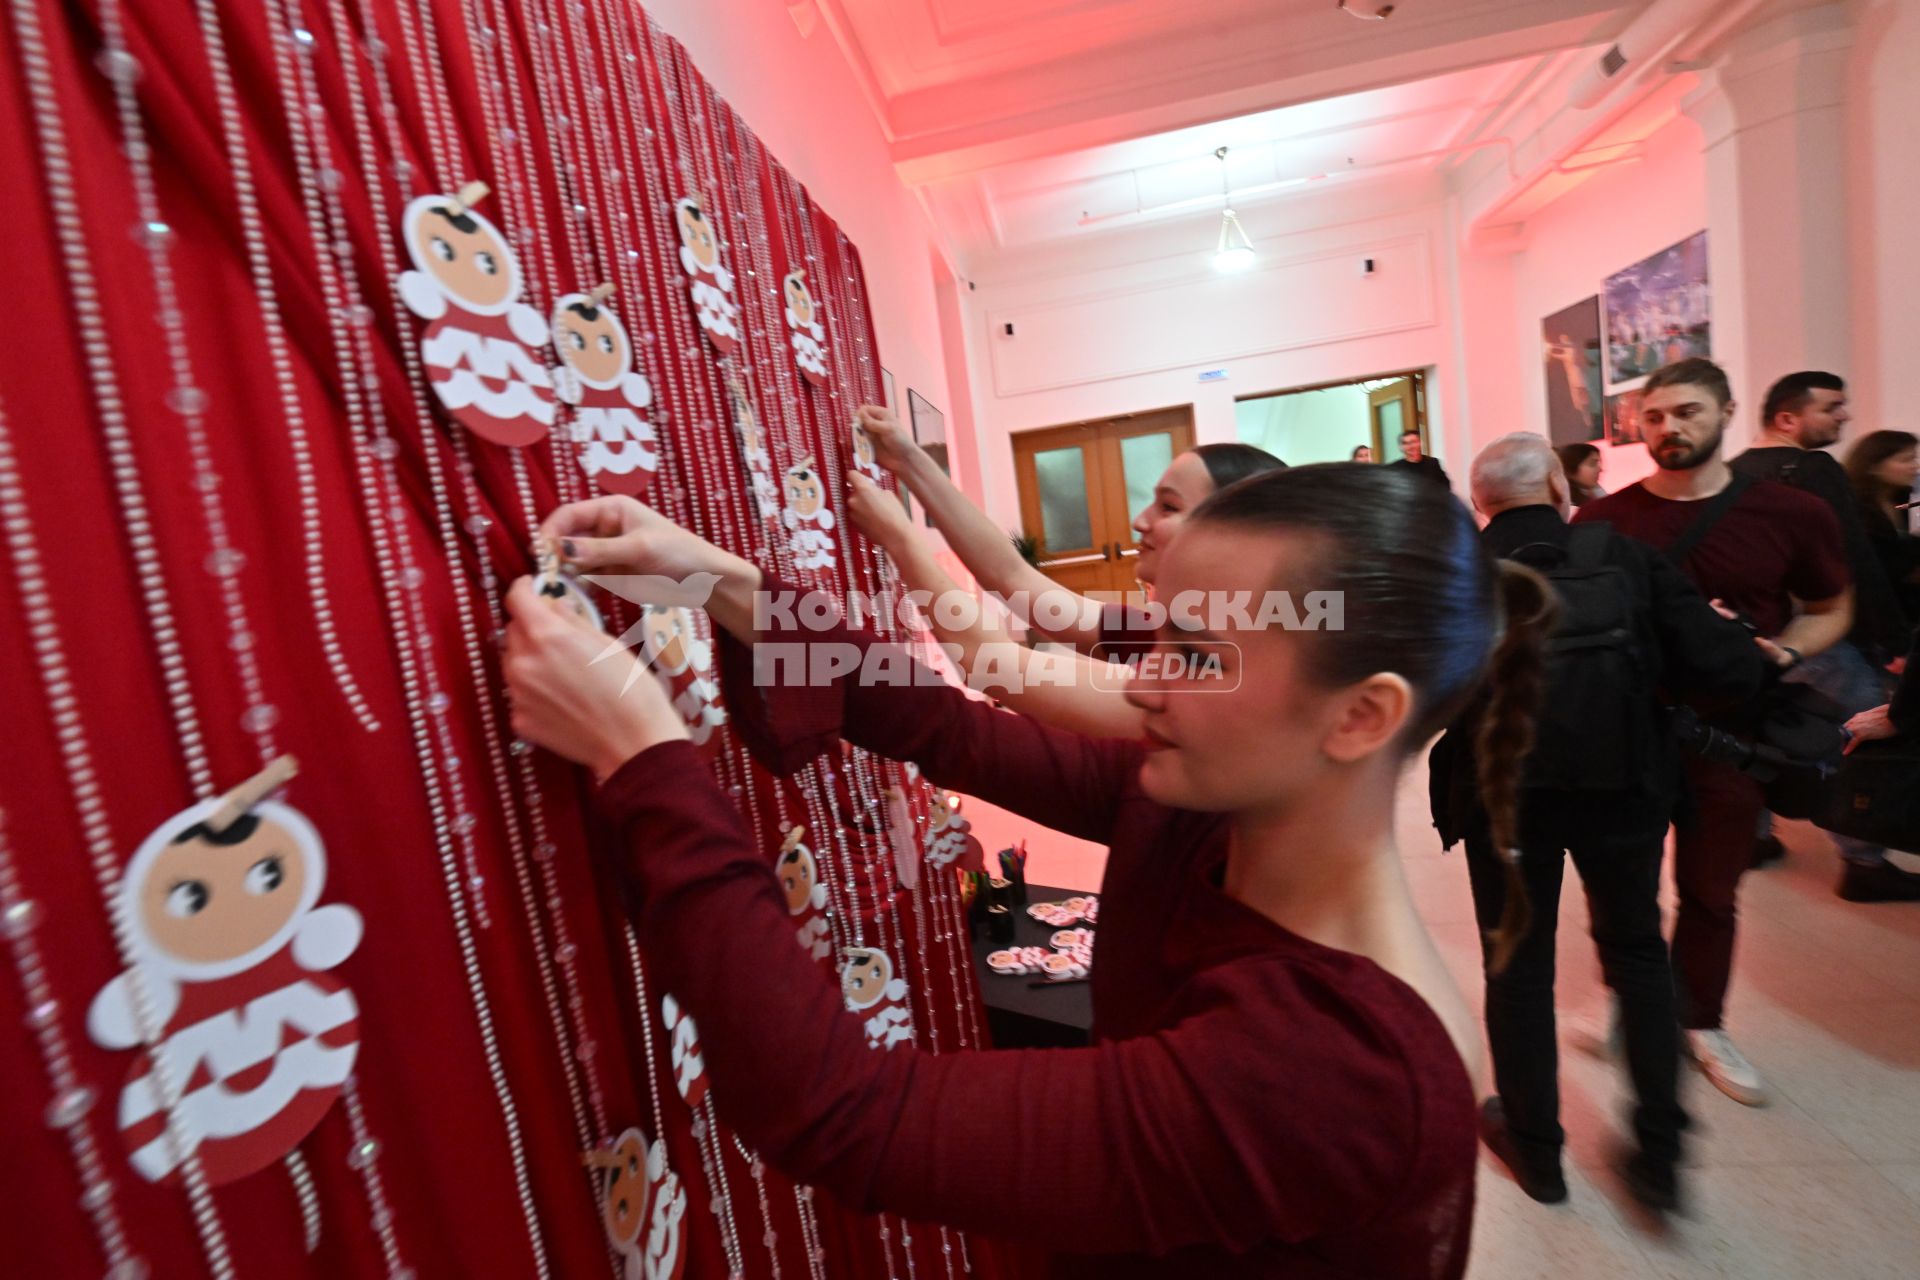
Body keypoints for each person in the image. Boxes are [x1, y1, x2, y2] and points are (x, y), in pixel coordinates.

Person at [503, 466, 1558, 1276]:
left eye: (1193, 655)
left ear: (1360, 715)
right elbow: (939, 723)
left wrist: (647, 764)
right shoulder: (1204, 808)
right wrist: (710, 577)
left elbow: (840, 1111)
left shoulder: (1350, 1066)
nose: (1143, 684)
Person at [1432, 434, 1778, 1213]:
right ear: (1559, 483)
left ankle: (1537, 1149)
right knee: (1637, 954)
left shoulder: (1458, 576)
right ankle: (1658, 1154)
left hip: (1503, 793)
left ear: (1480, 501)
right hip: (1623, 786)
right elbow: (1724, 669)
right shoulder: (1623, 559)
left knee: (1516, 966)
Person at [1576, 357, 1852, 1106]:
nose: (1670, 428)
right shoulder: (1601, 521)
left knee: (1711, 886)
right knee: (1622, 881)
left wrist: (1786, 649)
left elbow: (1831, 605)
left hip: (1728, 731)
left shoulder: (1791, 514)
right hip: (1629, 731)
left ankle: (1701, 1019)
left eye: (1688, 412)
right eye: (1656, 416)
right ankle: (1631, 997)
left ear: (1726, 412)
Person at [850, 404, 1281, 663]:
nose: (1140, 521)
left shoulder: (1221, 668)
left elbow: (994, 665)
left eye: (1169, 507)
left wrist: (901, 539)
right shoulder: (1169, 630)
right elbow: (1013, 577)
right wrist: (909, 461)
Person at [1733, 373, 1915, 894]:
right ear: (1788, 419)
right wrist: (1897, 640)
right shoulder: (1814, 469)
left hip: (1755, 636)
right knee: (1860, 735)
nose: (1845, 417)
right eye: (1833, 407)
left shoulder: (1733, 472)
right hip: (1818, 634)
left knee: (1756, 734)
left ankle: (1754, 836)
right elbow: (1851, 559)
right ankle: (1863, 862)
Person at [1846, 429, 1920, 625]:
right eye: (1905, 460)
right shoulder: (1855, 509)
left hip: (1908, 612)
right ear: (1873, 466)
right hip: (1871, 617)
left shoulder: (1908, 501)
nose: (1915, 467)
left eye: (1914, 459)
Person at [1554, 442, 1604, 507]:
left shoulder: (1596, 491)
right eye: (1592, 464)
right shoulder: (1568, 506)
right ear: (1570, 468)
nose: (1600, 470)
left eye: (1598, 463)